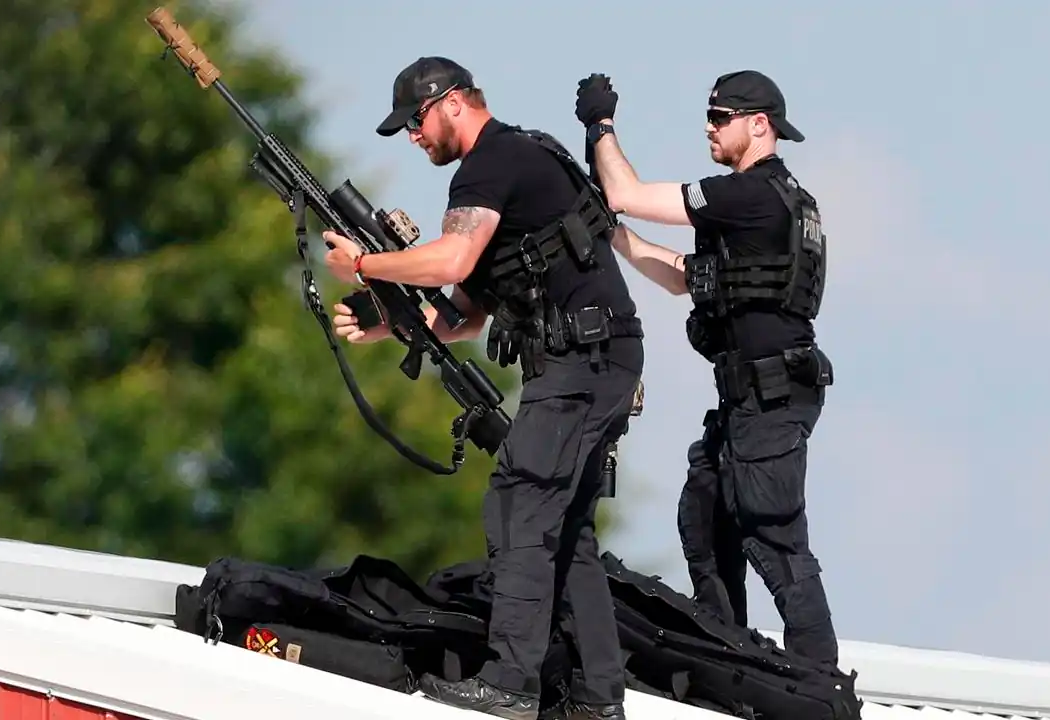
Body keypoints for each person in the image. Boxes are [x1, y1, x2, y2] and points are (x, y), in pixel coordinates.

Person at [323, 56, 644, 720]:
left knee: (519, 504)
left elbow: (451, 258)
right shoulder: (515, 163)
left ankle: (510, 684)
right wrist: (385, 324)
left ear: (452, 103)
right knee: (566, 528)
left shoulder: (491, 163)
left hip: (580, 361)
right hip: (596, 357)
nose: (413, 137)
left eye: (415, 121)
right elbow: (465, 314)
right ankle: (597, 697)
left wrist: (364, 263)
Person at [572, 70, 840, 670]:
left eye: (721, 118)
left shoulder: (751, 195)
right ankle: (731, 663)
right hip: (751, 399)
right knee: (705, 521)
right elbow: (681, 277)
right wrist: (611, 233)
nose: (709, 128)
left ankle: (820, 685)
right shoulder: (767, 204)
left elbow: (625, 191)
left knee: (773, 539)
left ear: (759, 125)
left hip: (770, 396)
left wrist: (600, 126)